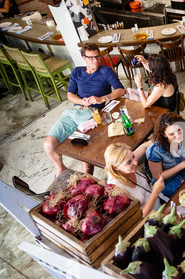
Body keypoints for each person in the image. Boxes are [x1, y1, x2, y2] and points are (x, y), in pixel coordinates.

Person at [43, 43, 125, 178]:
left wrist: (102, 98)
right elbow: (70, 95)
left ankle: (85, 180)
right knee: (48, 144)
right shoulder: (77, 72)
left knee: (84, 152)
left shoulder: (105, 71)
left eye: (98, 57)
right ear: (84, 58)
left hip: (92, 115)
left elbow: (120, 90)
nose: (95, 60)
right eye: (91, 58)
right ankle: (61, 169)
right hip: (73, 112)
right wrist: (81, 101)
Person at [146, 112, 185, 198]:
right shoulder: (155, 150)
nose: (178, 136)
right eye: (171, 134)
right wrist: (181, 165)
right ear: (164, 134)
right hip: (167, 182)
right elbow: (158, 176)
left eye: (179, 130)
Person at [104, 142, 168, 217]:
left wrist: (163, 138)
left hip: (161, 202)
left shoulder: (127, 164)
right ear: (115, 167)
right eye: (129, 162)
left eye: (133, 156)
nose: (135, 162)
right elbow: (140, 217)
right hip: (152, 218)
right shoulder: (119, 190)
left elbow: (144, 146)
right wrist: (155, 192)